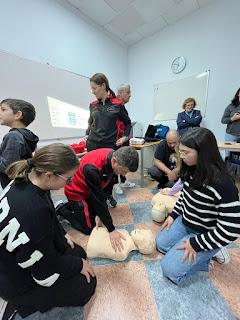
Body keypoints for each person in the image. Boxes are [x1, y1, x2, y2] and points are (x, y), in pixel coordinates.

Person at [0, 143, 96, 319]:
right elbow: (44, 273)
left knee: (79, 252)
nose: (70, 183)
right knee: (86, 284)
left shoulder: (26, 180)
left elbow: (48, 219)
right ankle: (24, 307)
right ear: (49, 175)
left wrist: (63, 235)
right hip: (17, 281)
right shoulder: (34, 211)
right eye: (68, 180)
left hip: (16, 255)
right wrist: (78, 265)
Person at [156, 127, 240, 285]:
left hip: (204, 232)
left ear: (203, 153)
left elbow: (231, 228)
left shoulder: (223, 184)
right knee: (160, 243)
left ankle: (211, 252)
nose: (181, 156)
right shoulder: (190, 170)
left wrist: (196, 244)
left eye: (186, 152)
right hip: (185, 222)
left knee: (169, 269)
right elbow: (185, 197)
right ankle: (203, 253)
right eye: (180, 151)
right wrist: (173, 215)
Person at [59, 146, 139, 252]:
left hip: (91, 190)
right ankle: (63, 210)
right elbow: (98, 200)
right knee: (89, 229)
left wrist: (99, 213)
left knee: (98, 217)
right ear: (114, 161)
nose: (124, 175)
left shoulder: (113, 156)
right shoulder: (92, 168)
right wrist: (111, 229)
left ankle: (76, 207)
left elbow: (105, 188)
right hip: (77, 192)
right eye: (123, 171)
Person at [86, 73, 132, 206]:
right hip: (93, 144)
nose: (92, 91)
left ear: (103, 86)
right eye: (91, 88)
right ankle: (96, 199)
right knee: (93, 173)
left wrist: (124, 137)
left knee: (109, 173)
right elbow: (90, 122)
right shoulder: (93, 105)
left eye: (94, 88)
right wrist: (87, 133)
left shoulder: (117, 104)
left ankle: (107, 195)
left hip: (108, 145)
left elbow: (128, 123)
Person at [0, 98, 39, 189]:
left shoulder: (13, 136)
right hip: (23, 181)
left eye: (3, 109)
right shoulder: (27, 134)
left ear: (17, 115)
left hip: (13, 185)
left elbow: (9, 167)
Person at [114, 84, 135, 195]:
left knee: (124, 160)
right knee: (116, 161)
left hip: (124, 138)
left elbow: (126, 123)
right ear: (120, 93)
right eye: (128, 92)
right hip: (116, 139)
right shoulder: (115, 105)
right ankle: (115, 185)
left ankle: (123, 181)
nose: (130, 95)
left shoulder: (122, 106)